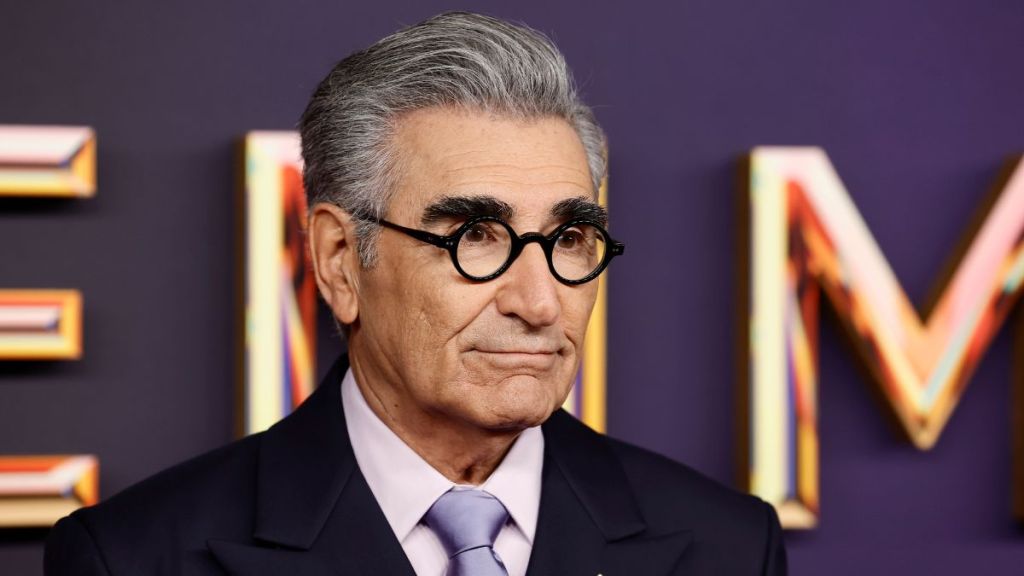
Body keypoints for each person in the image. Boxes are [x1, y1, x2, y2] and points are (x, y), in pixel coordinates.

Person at [45, 11, 786, 576]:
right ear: (339, 260)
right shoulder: (137, 557)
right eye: (477, 236)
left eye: (567, 241)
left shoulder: (728, 547)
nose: (538, 302)